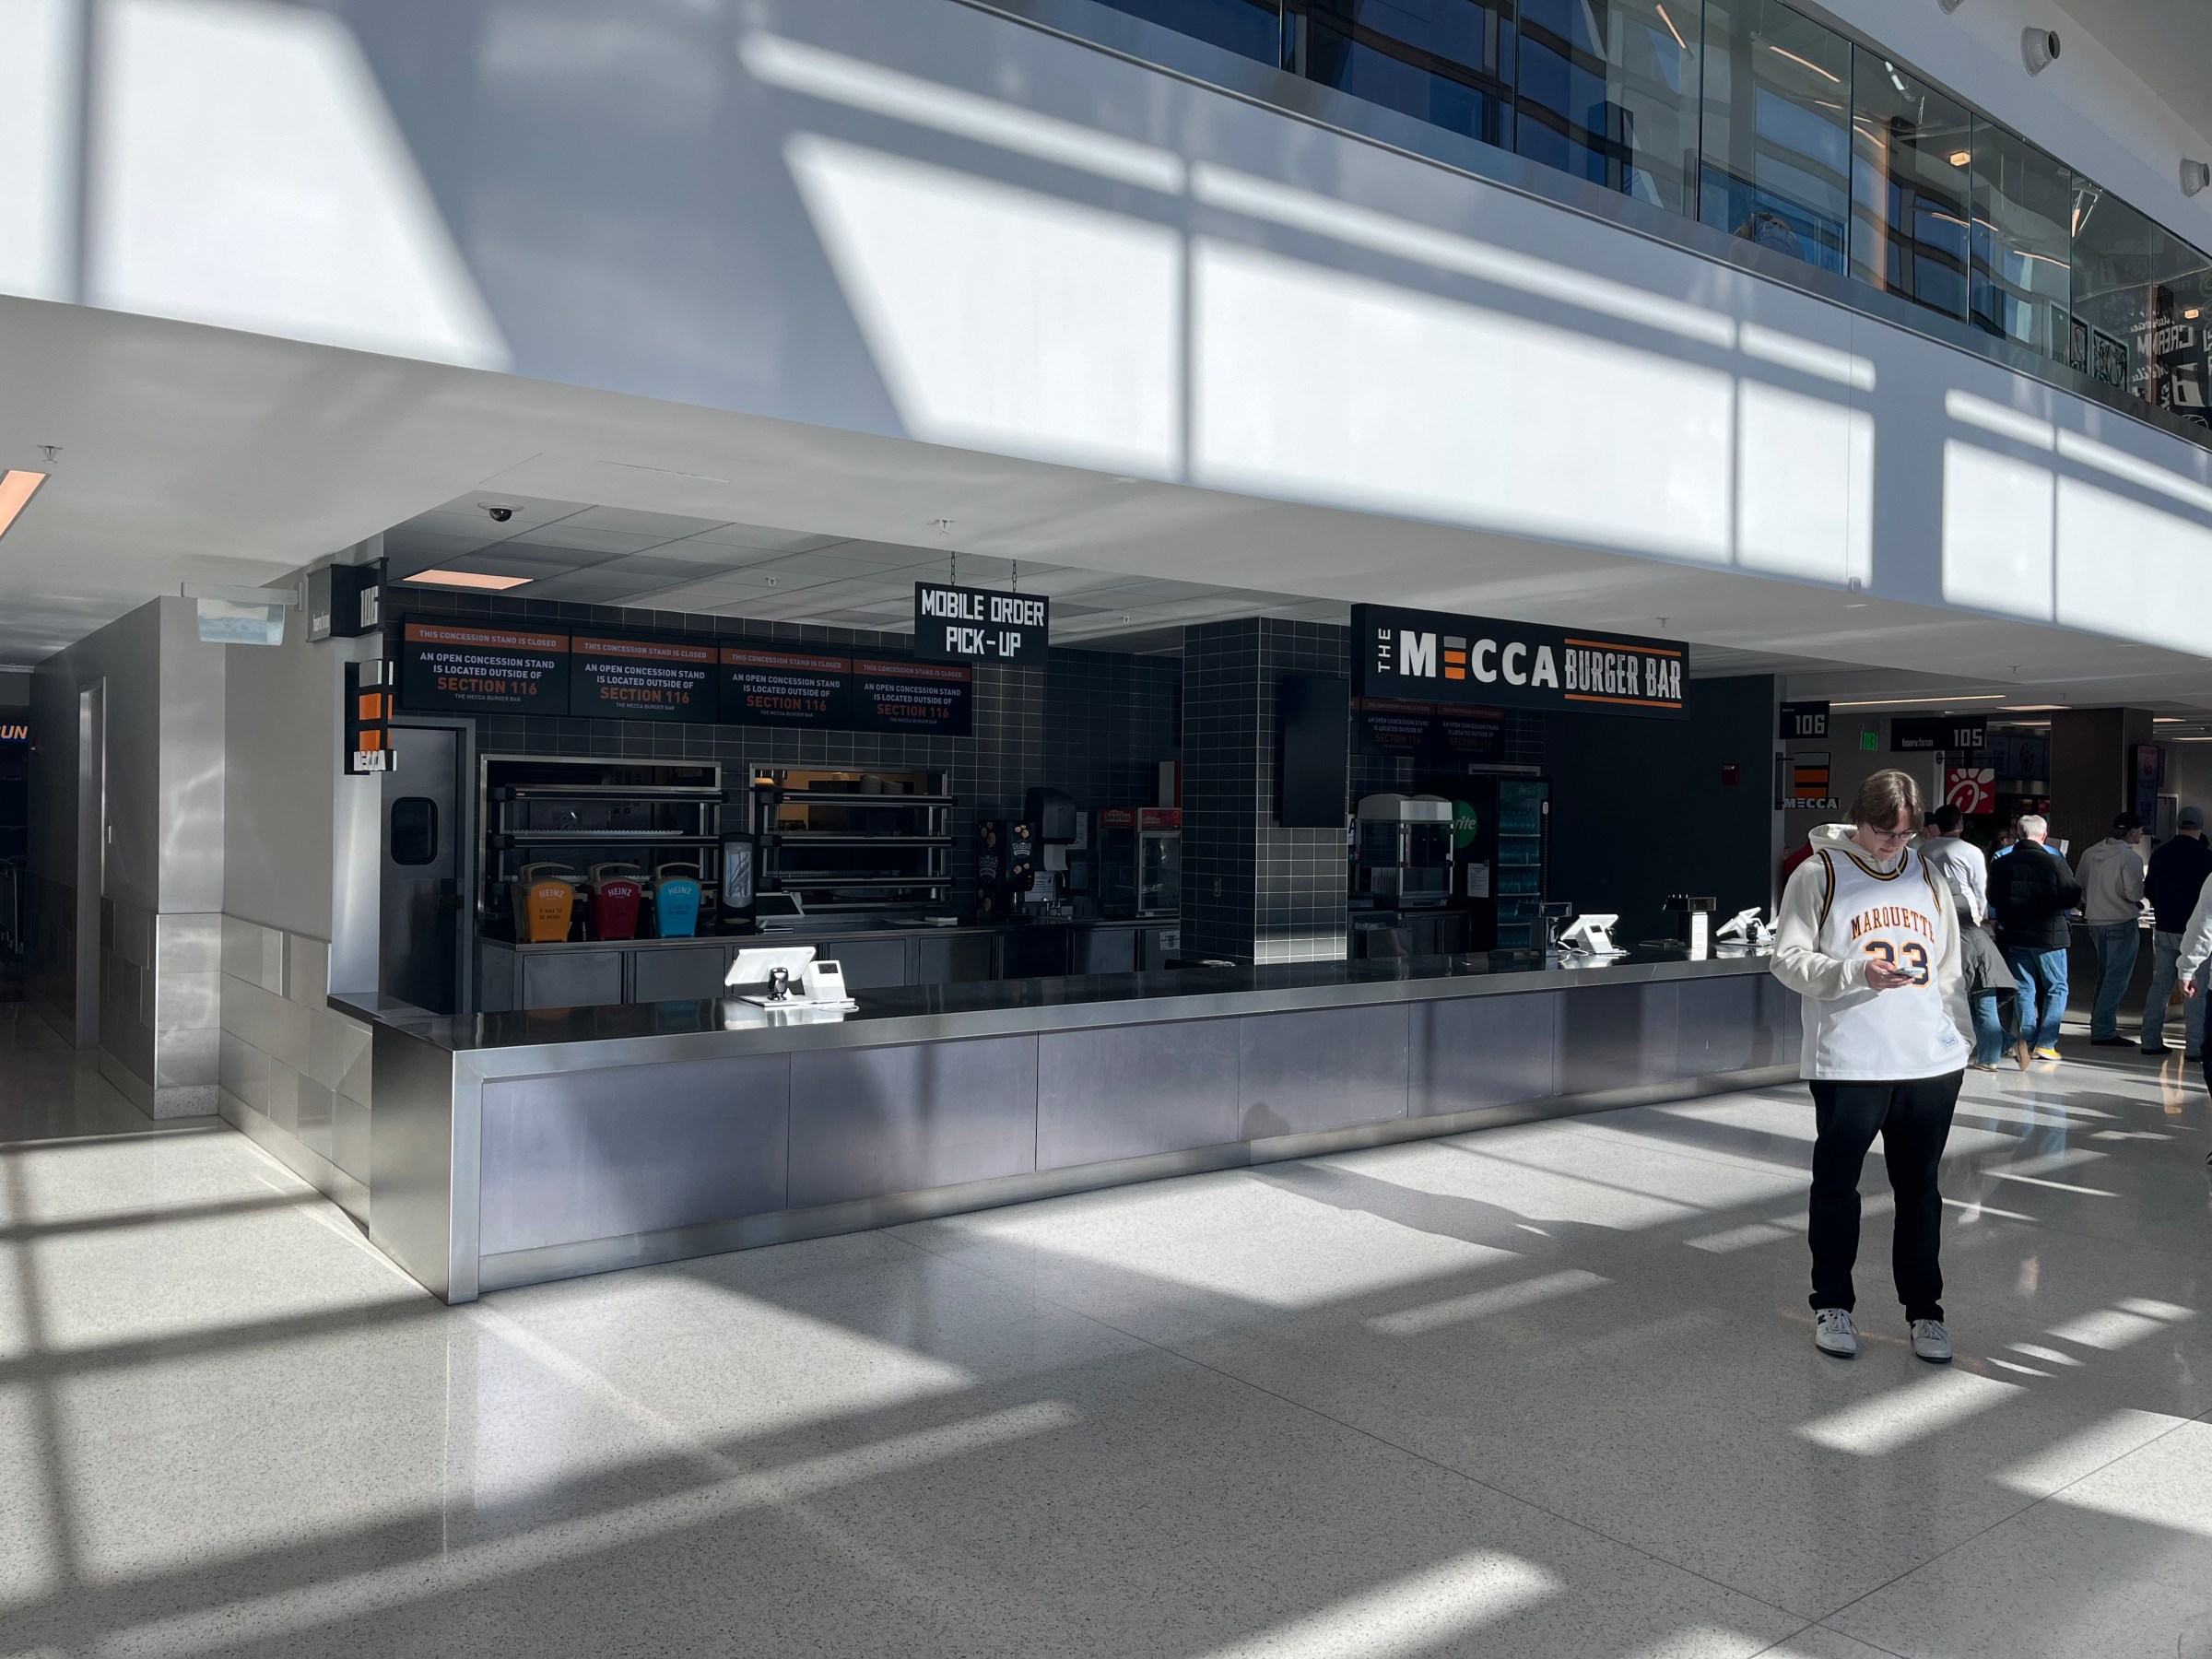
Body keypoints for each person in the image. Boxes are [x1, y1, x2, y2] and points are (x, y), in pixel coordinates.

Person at [1772, 770, 1970, 1364]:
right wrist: (1854, 973)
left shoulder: (1929, 874)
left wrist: (1958, 1037)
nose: (1893, 844)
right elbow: (1786, 960)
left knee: (1921, 1191)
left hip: (1927, 1061)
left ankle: (1925, 1312)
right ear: (1861, 818)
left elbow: (1950, 963)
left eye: (1905, 835)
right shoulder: (1819, 872)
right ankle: (1832, 1302)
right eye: (1885, 831)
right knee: (1837, 1188)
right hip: (1850, 1059)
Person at [1918, 804, 2024, 1070]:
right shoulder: (1971, 851)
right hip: (1971, 924)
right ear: (1962, 824)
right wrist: (1984, 918)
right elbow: (1980, 887)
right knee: (1981, 993)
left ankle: (1990, 1046)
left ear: (1935, 826)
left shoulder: (1922, 852)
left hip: (1936, 925)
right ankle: (1997, 1049)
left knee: (1957, 995)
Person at [1987, 813, 2084, 1062]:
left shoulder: (2000, 862)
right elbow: (2071, 896)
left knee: (2024, 988)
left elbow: (1994, 899)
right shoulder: (2054, 861)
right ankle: (2047, 1043)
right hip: (2049, 937)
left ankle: (2026, 1041)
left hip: (2016, 935)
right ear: (2043, 834)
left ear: (2018, 834)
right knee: (2057, 987)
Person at [2142, 806, 2212, 1057]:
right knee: (2196, 990)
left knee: (2160, 985)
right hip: (2192, 934)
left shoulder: (2161, 854)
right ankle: (2194, 1047)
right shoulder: (2207, 858)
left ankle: (2150, 1041)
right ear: (2201, 827)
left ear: (2178, 825)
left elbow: (2148, 890)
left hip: (2163, 928)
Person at [2076, 812, 2147, 1046]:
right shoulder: (2130, 858)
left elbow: (2079, 886)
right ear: (2132, 832)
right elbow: (2134, 893)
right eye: (2140, 830)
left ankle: (2099, 1025)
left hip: (2095, 922)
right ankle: (2104, 1030)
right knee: (2117, 979)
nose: (2141, 834)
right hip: (2121, 921)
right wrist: (2141, 903)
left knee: (2104, 976)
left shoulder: (2090, 853)